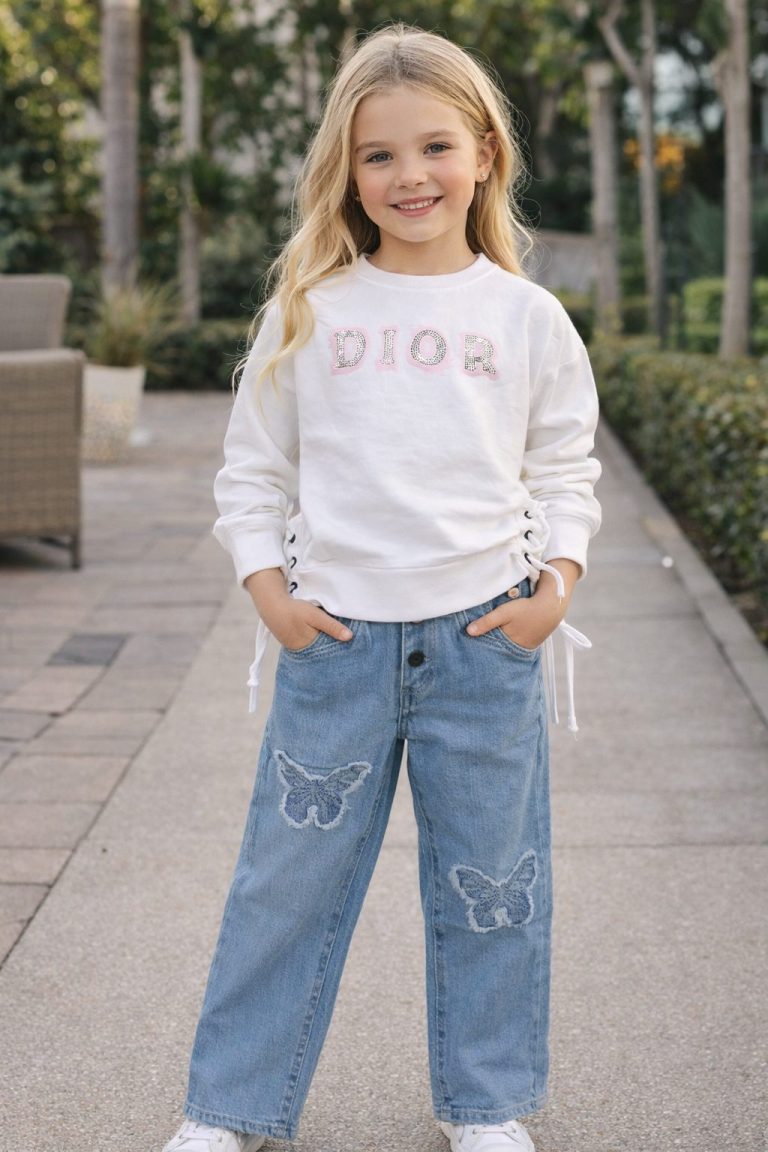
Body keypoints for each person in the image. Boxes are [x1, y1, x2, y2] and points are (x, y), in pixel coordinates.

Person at [162, 22, 601, 1152]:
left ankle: (487, 1106)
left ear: (485, 152)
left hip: (484, 642)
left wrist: (554, 585)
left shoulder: (526, 318)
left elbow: (565, 465)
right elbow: (252, 471)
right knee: (284, 887)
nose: (411, 176)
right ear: (347, 172)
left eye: (436, 146)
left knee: (492, 884)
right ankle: (229, 1110)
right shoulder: (312, 310)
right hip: (338, 646)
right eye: (379, 155)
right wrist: (272, 596)